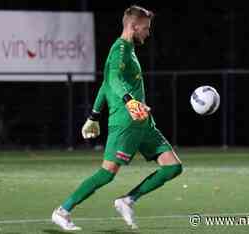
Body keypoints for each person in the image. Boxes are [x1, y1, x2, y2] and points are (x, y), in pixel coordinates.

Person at [52, 5, 183, 231]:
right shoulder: (120, 49)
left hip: (142, 122)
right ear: (133, 27)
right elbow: (112, 79)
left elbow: (104, 84)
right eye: (145, 28)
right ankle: (63, 211)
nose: (148, 33)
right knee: (107, 173)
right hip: (125, 122)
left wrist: (93, 115)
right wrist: (130, 102)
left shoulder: (129, 50)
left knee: (173, 167)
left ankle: (127, 200)